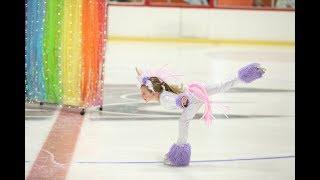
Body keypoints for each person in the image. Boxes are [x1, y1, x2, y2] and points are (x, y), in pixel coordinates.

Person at [136, 63, 266, 166]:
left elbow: (176, 100)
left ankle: (180, 155)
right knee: (221, 86)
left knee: (183, 121)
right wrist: (142, 76)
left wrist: (181, 101)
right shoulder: (163, 93)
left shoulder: (164, 98)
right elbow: (174, 97)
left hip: (193, 100)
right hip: (198, 89)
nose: (142, 97)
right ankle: (249, 73)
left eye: (144, 93)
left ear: (153, 91)